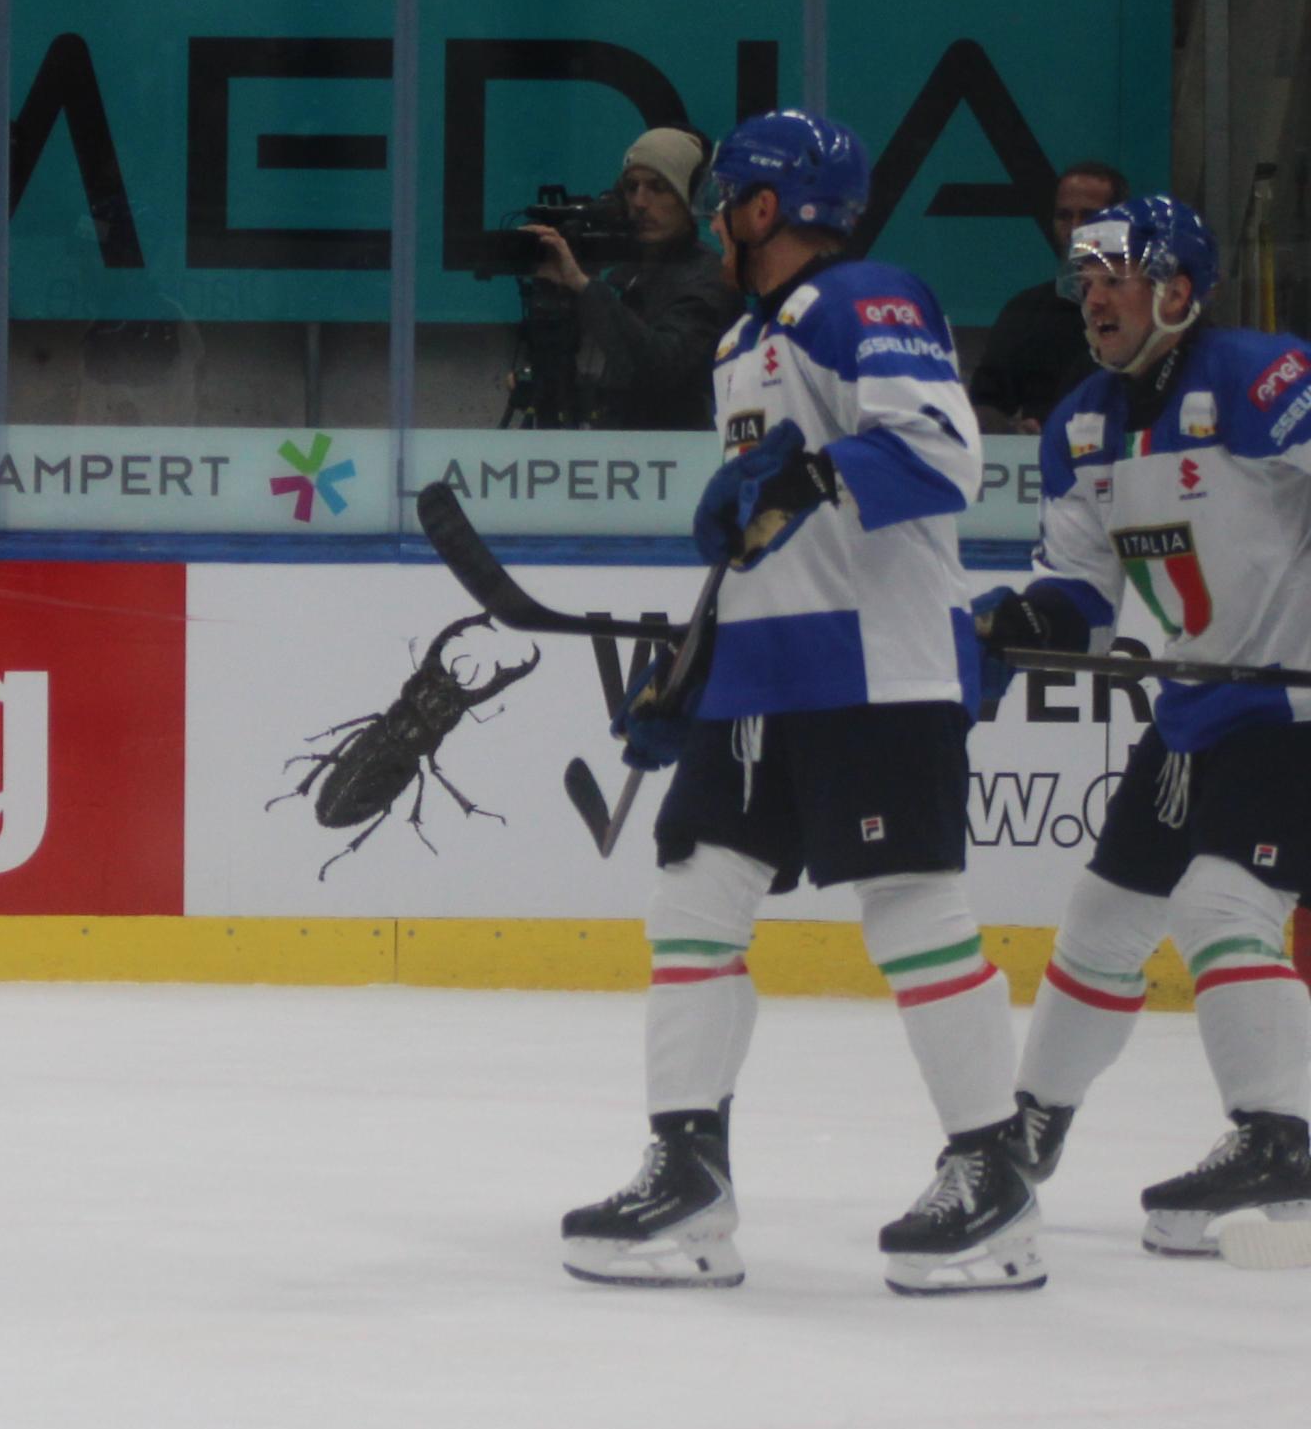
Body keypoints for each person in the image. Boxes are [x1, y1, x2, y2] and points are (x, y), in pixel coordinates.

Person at [567, 109, 1036, 1296]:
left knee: (911, 907)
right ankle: (688, 1172)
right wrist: (694, 674)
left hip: (876, 670)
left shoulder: (862, 297)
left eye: (726, 197)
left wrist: (809, 472)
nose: (716, 217)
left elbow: (944, 455)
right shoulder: (744, 338)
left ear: (765, 207)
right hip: (760, 678)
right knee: (693, 895)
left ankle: (993, 1177)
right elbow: (767, 538)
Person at [984, 196, 1311, 1254]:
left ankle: (1278, 1133)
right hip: (1195, 706)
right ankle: (1031, 1123)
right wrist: (1011, 625)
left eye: (1115, 277)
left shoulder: (1263, 379)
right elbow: (1077, 594)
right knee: (1104, 918)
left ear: (1177, 289)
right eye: (1084, 280)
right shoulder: (1081, 425)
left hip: (1293, 706)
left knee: (1223, 901)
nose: (1094, 297)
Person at [512, 126, 723, 429]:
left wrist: (584, 286)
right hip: (623, 450)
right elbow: (620, 389)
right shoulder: (627, 274)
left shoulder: (709, 277)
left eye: (658, 187)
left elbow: (661, 369)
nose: (640, 201)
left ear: (688, 198)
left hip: (679, 453)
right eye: (631, 187)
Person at [965, 159, 1126, 432]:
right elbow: (983, 407)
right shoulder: (1025, 312)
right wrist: (1011, 429)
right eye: (1064, 216)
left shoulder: (1142, 309)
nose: (1074, 229)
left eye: (1089, 217)